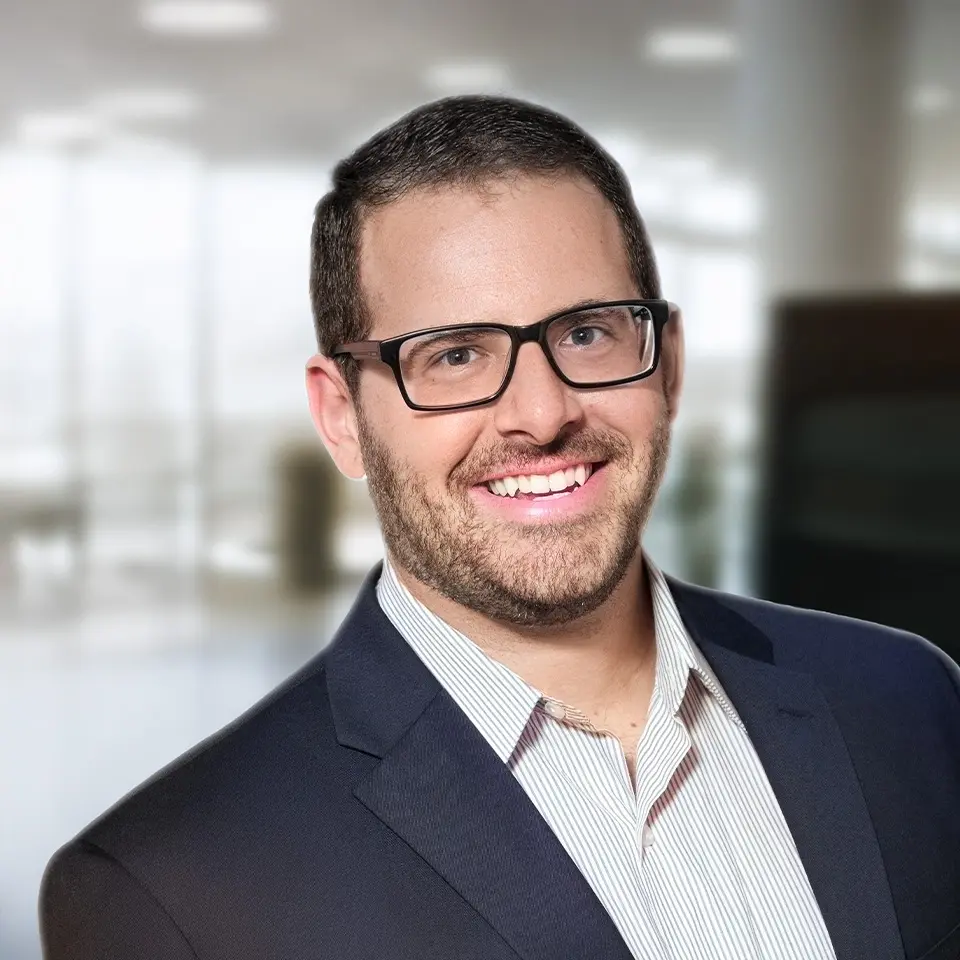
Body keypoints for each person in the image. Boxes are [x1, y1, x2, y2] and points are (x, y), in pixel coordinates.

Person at [39, 96, 960, 960]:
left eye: (589, 334)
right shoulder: (174, 891)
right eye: (455, 355)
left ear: (667, 366)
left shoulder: (906, 704)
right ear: (343, 417)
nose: (541, 411)